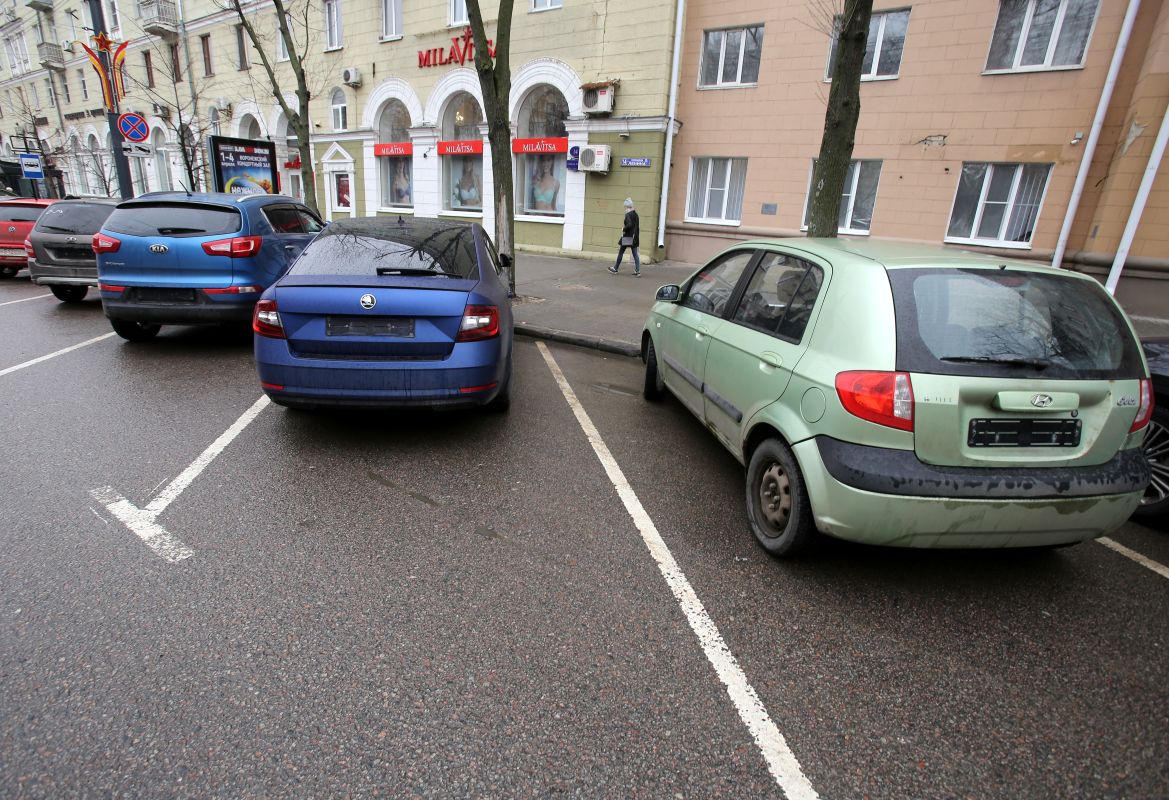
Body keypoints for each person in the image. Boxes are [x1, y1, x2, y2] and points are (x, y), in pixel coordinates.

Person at [609, 197, 640, 276]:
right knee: (635, 254)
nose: (624, 208)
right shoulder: (636, 214)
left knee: (621, 252)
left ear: (627, 206)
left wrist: (624, 228)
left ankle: (615, 269)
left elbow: (629, 225)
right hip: (634, 237)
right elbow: (636, 227)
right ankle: (637, 271)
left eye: (625, 207)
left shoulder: (628, 215)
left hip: (627, 237)